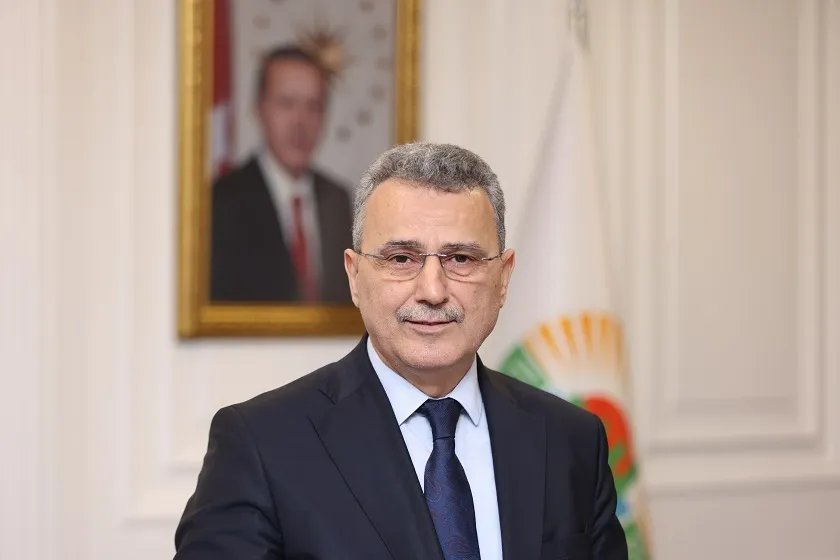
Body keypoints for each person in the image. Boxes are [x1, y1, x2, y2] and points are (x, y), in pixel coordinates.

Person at [175, 142, 628, 559]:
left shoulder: (572, 439)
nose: (432, 291)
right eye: (401, 259)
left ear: (504, 277)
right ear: (354, 276)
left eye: (461, 259)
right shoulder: (262, 445)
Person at [210, 44, 353, 304]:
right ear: (259, 109)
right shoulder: (221, 201)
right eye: (287, 104)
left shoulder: (338, 200)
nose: (300, 122)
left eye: (313, 106)